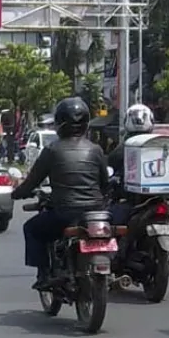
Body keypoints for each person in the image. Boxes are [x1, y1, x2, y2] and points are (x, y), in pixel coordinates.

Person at [11, 97, 110, 290]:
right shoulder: (95, 150)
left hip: (64, 213)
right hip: (95, 213)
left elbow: (32, 182)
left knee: (31, 229)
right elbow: (104, 183)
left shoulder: (51, 150)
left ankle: (44, 274)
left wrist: (17, 194)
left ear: (60, 122)